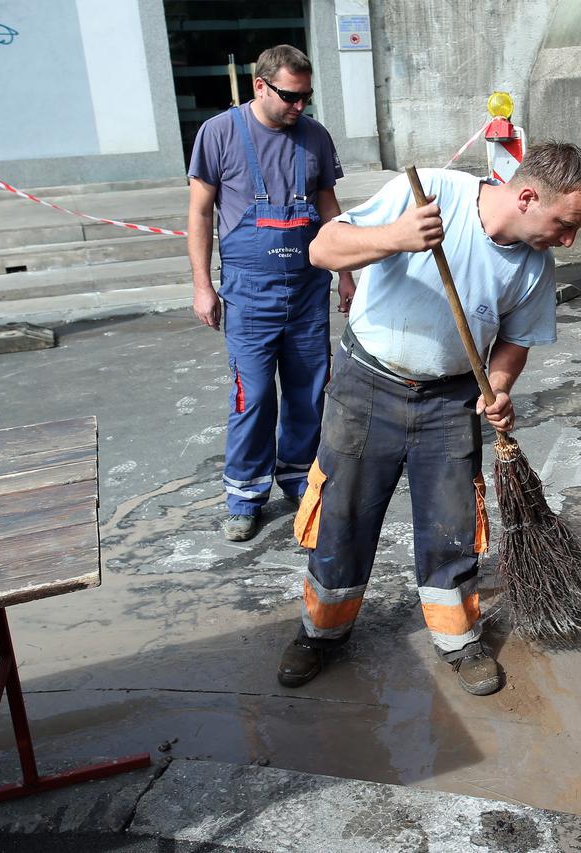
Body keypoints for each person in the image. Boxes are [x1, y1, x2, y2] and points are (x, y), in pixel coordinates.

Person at [276, 143, 581, 695]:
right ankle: (321, 633)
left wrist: (497, 387)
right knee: (343, 513)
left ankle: (458, 638)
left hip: (450, 400)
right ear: (527, 197)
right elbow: (323, 249)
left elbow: (515, 342)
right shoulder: (431, 194)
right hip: (367, 383)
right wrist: (397, 238)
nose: (569, 240)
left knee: (452, 526)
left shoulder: (534, 267)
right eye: (565, 224)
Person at [187, 45, 355, 542]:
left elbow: (328, 203)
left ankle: (299, 477)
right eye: (290, 96)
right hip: (248, 293)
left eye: (306, 97)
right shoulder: (218, 133)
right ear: (260, 86)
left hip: (306, 291)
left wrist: (346, 272)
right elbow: (199, 213)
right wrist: (202, 285)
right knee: (254, 396)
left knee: (307, 391)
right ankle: (244, 495)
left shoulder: (314, 137)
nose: (299, 106)